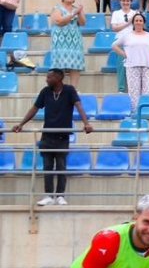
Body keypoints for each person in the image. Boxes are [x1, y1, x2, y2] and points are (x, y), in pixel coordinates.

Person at [9, 68, 94, 206]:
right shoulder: (45, 91)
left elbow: (79, 106)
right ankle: (48, 195)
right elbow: (35, 108)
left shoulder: (69, 90)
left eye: (49, 77)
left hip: (62, 137)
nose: (46, 80)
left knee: (61, 166)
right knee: (47, 167)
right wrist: (21, 124)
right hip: (47, 136)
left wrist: (86, 123)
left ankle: (60, 196)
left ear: (58, 79)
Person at [112, 12, 149, 106]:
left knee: (148, 92)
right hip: (132, 67)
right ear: (133, 22)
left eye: (140, 20)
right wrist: (125, 55)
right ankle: (134, 113)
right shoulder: (127, 35)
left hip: (147, 67)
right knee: (134, 93)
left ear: (143, 23)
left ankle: (146, 113)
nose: (138, 22)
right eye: (136, 20)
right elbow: (114, 45)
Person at [50, 0, 87, 86]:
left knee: (75, 65)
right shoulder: (57, 8)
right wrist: (74, 13)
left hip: (75, 41)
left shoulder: (76, 9)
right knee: (59, 65)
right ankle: (59, 88)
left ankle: (73, 89)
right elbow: (60, 22)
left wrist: (80, 12)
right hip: (60, 41)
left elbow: (83, 23)